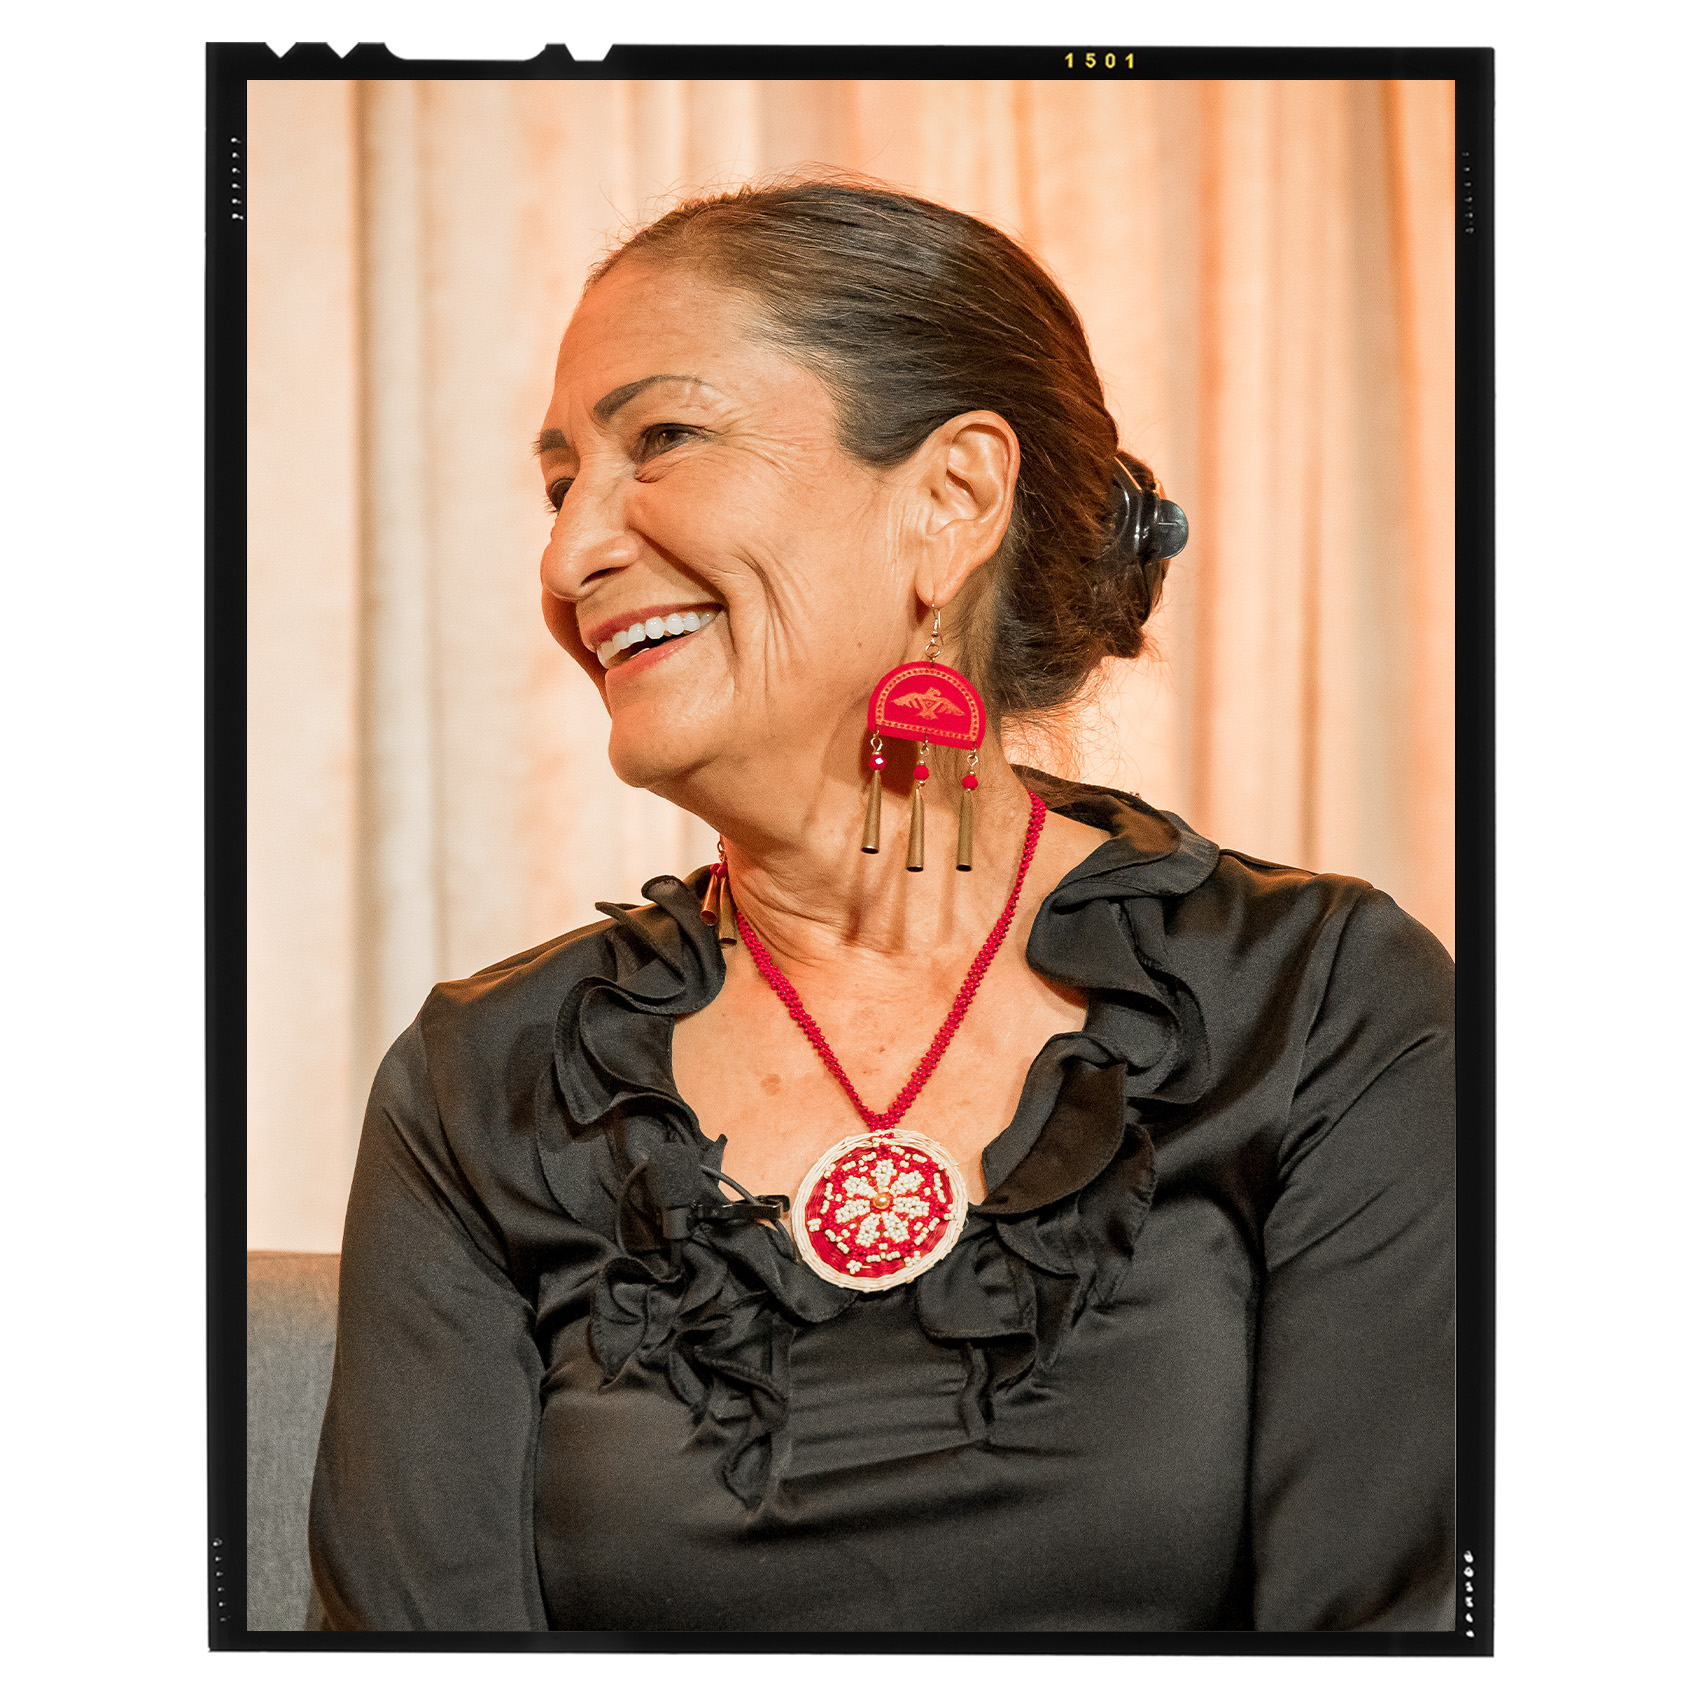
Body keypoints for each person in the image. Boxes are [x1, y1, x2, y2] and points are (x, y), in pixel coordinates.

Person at [308, 178, 1455, 1633]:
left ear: (952, 500)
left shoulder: (1322, 1007)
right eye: (557, 485)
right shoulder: (482, 1082)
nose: (568, 554)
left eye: (662, 438)